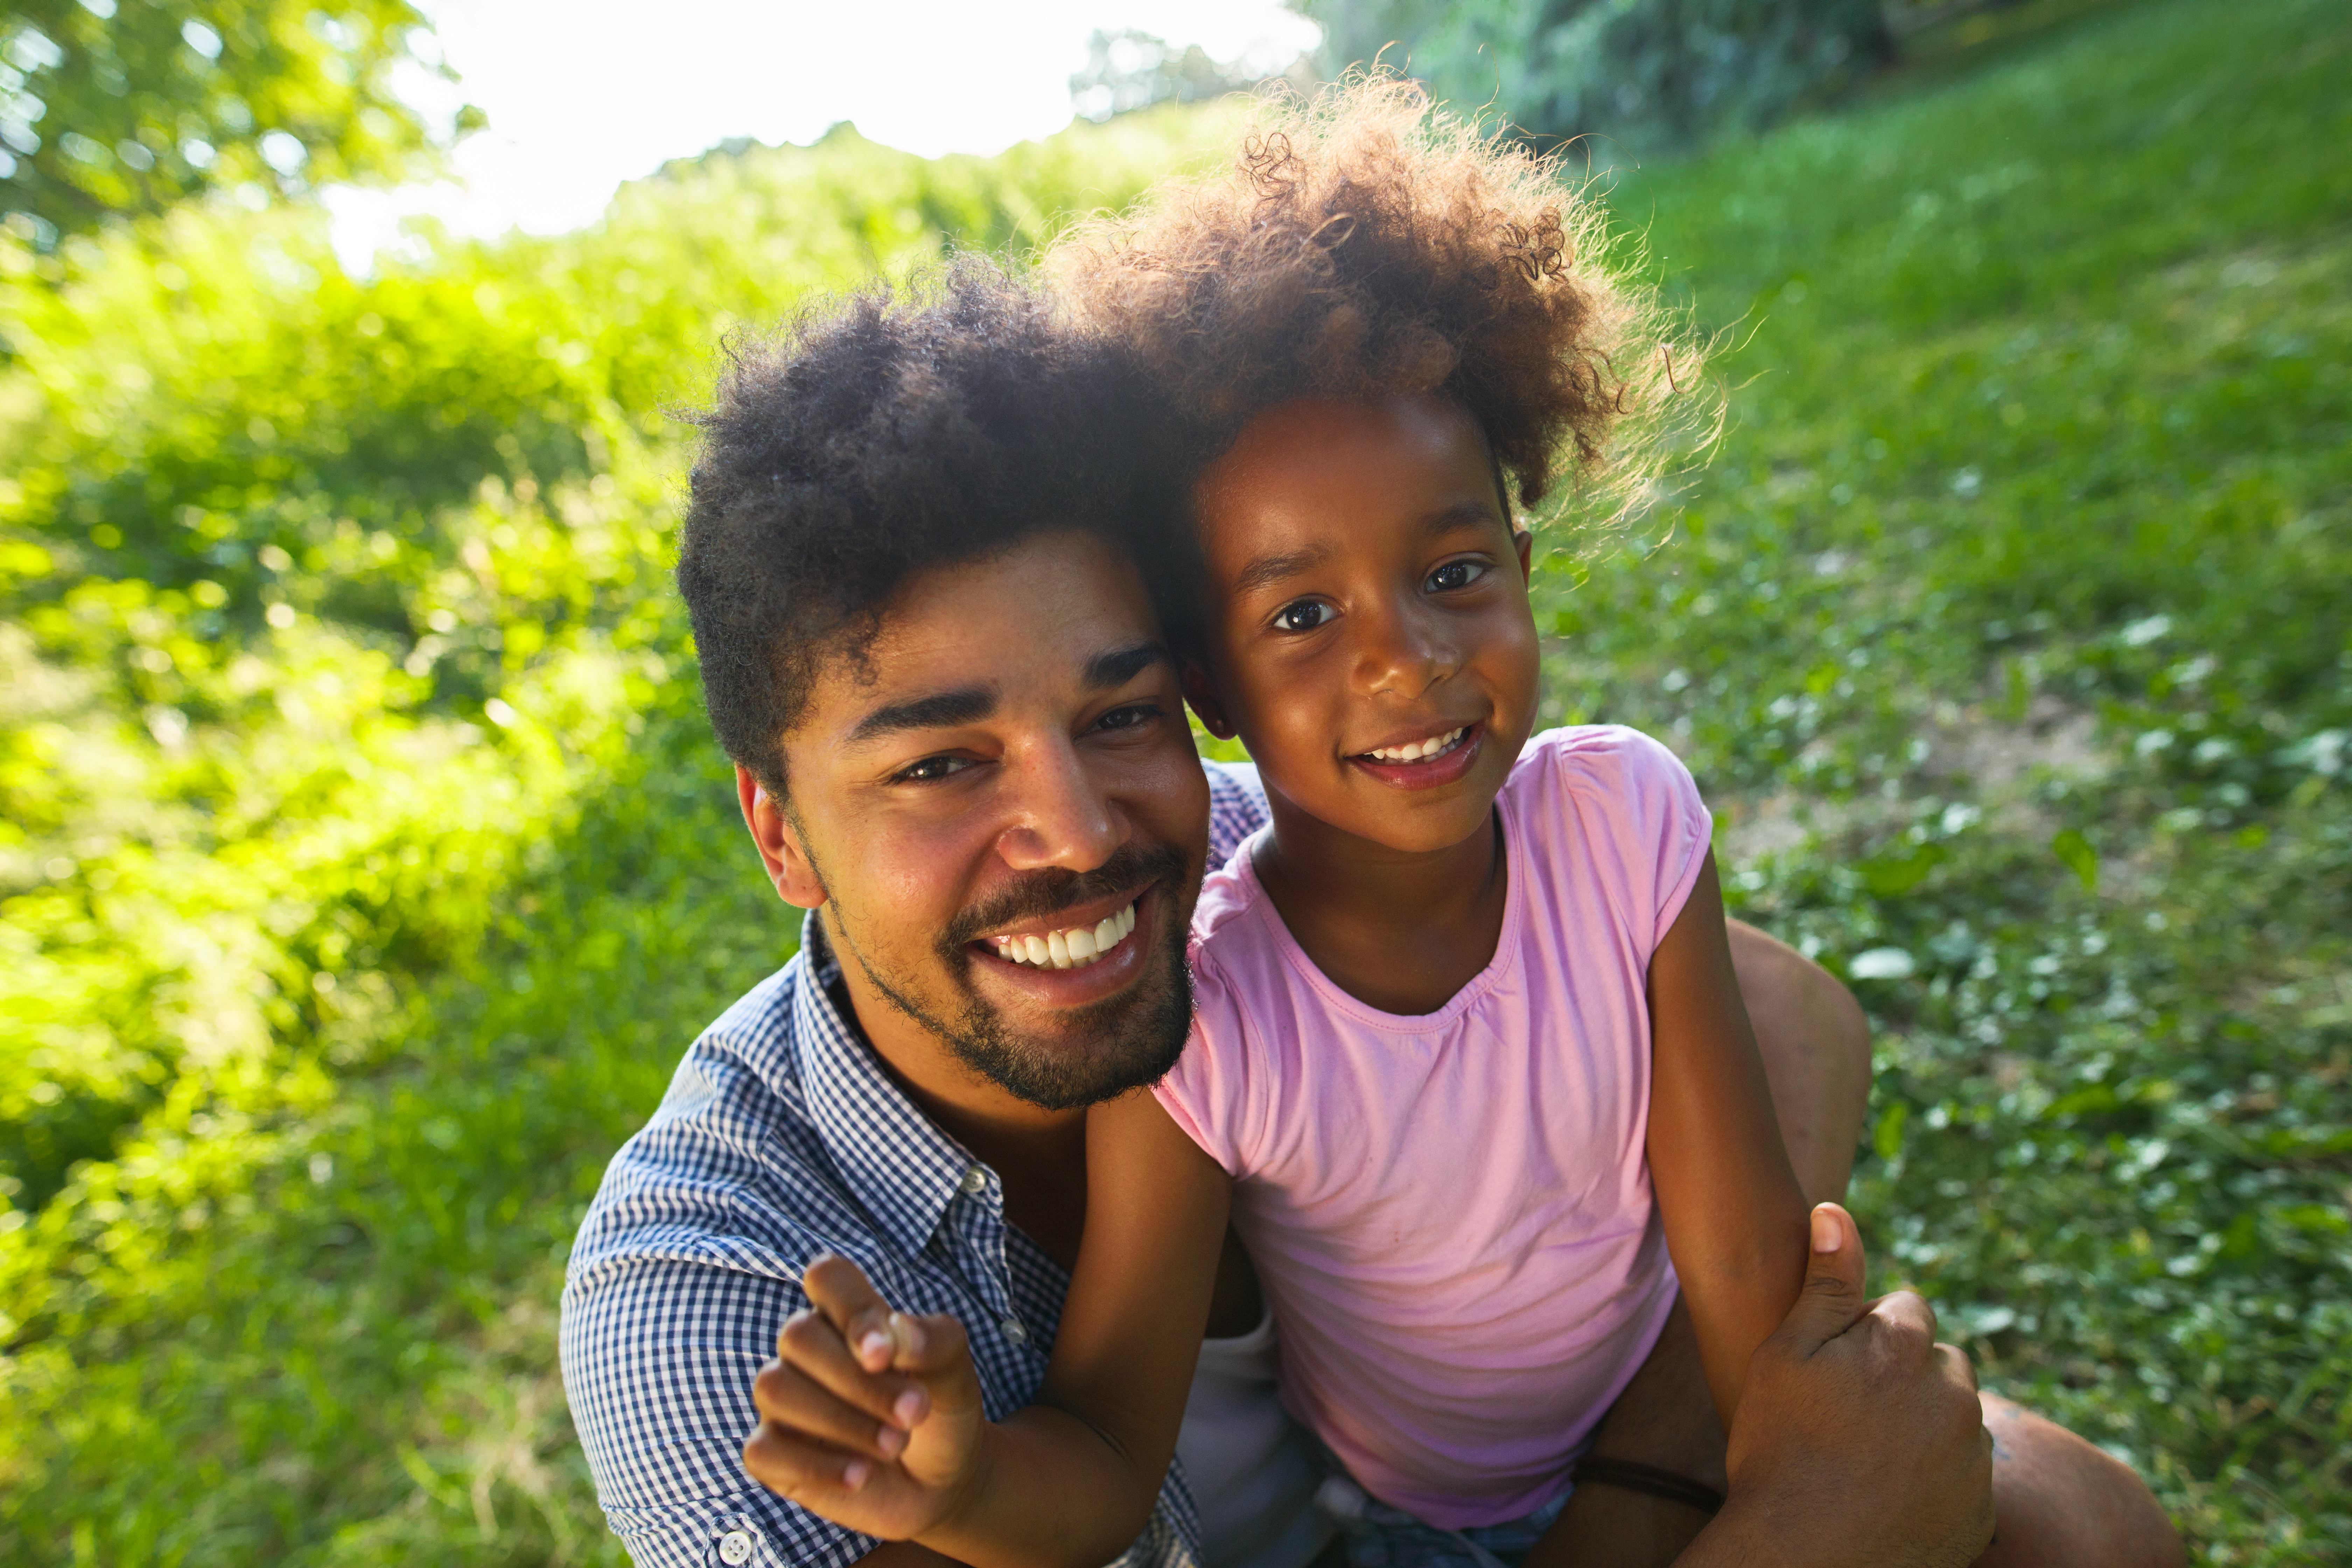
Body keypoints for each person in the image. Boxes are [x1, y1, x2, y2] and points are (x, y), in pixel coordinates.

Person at [725, 89, 2181, 1568]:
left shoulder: (1621, 818)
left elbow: (1739, 1252)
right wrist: (967, 1488)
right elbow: (1106, 1443)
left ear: (1525, 565)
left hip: (1682, 1429)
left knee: (2096, 1537)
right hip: (1436, 1537)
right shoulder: (1212, 1017)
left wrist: (1787, 1480)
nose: (1406, 659)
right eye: (1302, 614)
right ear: (1207, 678)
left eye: (1456, 570)